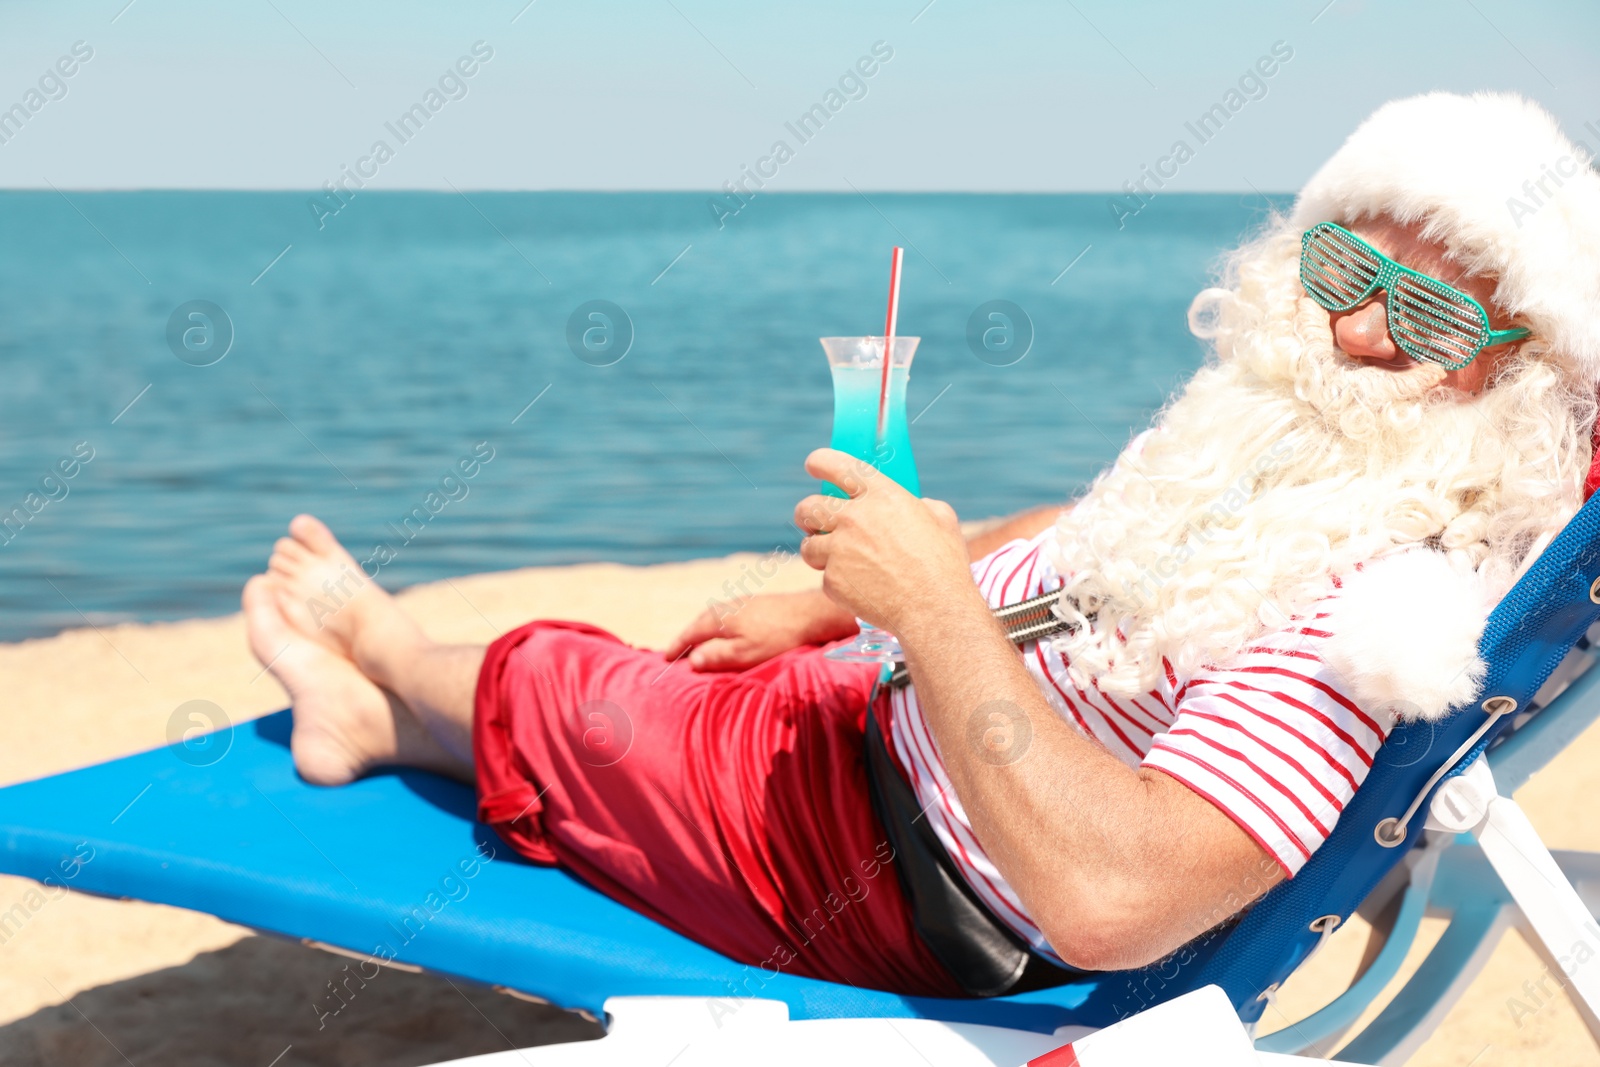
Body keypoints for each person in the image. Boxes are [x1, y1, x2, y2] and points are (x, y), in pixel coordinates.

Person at [242, 92, 1600, 999]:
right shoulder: (1277, 436)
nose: (1358, 336)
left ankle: (378, 668)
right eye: (1345, 278)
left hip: (907, 871)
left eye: (1424, 324)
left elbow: (1116, 903)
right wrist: (831, 616)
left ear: (1516, 376)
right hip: (894, 718)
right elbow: (1090, 541)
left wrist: (936, 610)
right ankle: (397, 713)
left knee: (570, 682)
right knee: (677, 666)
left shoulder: (1373, 621)